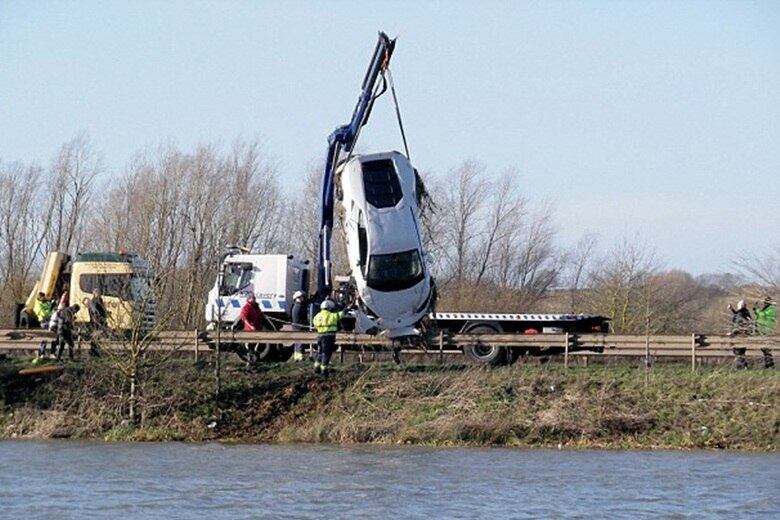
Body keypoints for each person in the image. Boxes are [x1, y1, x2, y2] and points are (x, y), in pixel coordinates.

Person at [312, 299, 344, 375]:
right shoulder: (332, 315)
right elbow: (341, 314)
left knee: (320, 352)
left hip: (320, 336)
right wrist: (348, 308)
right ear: (329, 308)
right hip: (329, 337)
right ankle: (324, 370)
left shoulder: (317, 316)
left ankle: (316, 368)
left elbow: (315, 324)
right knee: (326, 353)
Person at [728, 299, 752, 369]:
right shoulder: (745, 312)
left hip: (739, 335)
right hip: (743, 335)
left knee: (738, 351)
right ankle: (744, 366)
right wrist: (732, 309)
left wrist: (732, 332)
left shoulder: (742, 313)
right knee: (741, 351)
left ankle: (740, 367)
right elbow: (738, 315)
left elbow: (739, 323)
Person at [754, 296, 776, 369]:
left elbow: (762, 315)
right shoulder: (766, 309)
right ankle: (768, 364)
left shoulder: (771, 309)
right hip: (762, 329)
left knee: (766, 349)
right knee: (764, 348)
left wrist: (757, 310)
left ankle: (770, 365)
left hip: (766, 329)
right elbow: (759, 316)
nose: (764, 303)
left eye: (765, 302)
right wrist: (755, 311)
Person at [33, 292, 55, 356]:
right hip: (44, 321)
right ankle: (42, 352)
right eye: (42, 297)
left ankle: (52, 353)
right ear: (39, 297)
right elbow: (43, 314)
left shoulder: (47, 302)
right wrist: (50, 311)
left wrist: (52, 306)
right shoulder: (37, 305)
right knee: (44, 337)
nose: (44, 298)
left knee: (53, 337)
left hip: (51, 320)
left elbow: (53, 311)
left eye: (44, 297)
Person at [290, 291, 309, 361]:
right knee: (300, 342)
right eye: (302, 297)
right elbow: (300, 318)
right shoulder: (299, 306)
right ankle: (300, 356)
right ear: (298, 298)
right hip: (299, 327)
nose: (303, 298)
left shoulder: (296, 305)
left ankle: (297, 356)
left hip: (296, 327)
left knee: (297, 342)